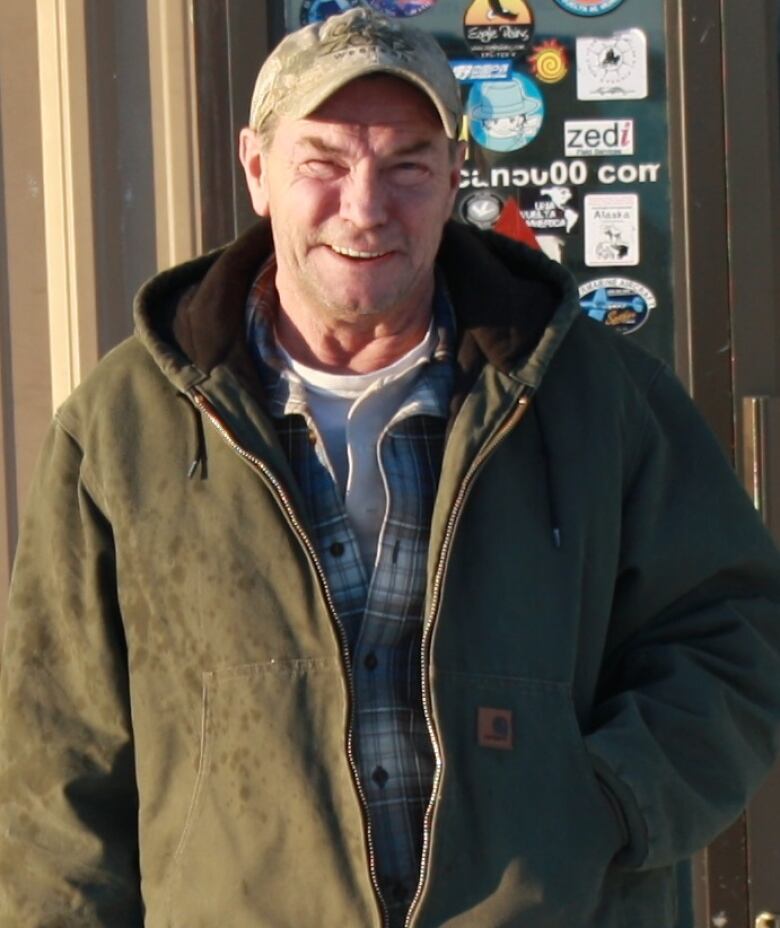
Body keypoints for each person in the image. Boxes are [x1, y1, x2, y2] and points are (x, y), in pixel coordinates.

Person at [1, 8, 780, 927]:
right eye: (323, 162)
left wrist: (604, 802)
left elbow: (735, 637)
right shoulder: (126, 425)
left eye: (407, 164)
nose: (365, 206)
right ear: (258, 170)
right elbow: (60, 767)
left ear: (456, 174)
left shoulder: (592, 396)